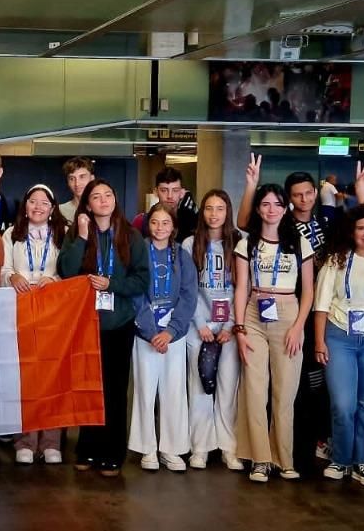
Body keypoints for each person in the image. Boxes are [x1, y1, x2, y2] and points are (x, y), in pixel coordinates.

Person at [58, 179, 148, 476]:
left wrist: (113, 284)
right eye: (96, 197)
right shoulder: (78, 232)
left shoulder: (132, 237)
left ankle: (113, 452)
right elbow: (66, 271)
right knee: (88, 388)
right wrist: (83, 237)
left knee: (114, 389)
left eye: (108, 195)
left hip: (119, 323)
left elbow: (141, 280)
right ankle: (87, 449)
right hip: (86, 323)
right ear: (87, 204)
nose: (104, 200)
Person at [231, 184, 316, 483]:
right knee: (254, 390)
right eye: (265, 204)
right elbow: (241, 288)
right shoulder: (247, 243)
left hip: (288, 313)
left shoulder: (299, 242)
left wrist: (298, 327)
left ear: (285, 208)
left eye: (277, 204)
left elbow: (308, 290)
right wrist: (239, 328)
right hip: (254, 312)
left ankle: (284, 458)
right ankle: (260, 459)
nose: (271, 209)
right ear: (257, 209)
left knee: (285, 392)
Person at [312, 204, 364, 487]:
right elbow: (321, 304)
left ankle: (363, 461)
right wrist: (319, 341)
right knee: (342, 403)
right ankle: (340, 459)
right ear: (352, 231)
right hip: (338, 335)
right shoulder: (336, 260)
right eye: (361, 228)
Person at [128, 203, 198, 472]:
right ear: (148, 225)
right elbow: (135, 293)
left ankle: (172, 448)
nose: (160, 228)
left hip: (174, 334)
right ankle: (147, 448)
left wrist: (171, 331)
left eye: (165, 223)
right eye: (155, 222)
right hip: (146, 333)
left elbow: (189, 295)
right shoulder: (138, 253)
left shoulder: (182, 256)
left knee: (174, 391)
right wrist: (151, 331)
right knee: (145, 390)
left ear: (174, 227)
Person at [0, 184, 66, 464]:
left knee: (53, 376)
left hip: (53, 313)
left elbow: (72, 269)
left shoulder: (64, 234)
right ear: (25, 206)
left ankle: (51, 440)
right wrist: (12, 277)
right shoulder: (11, 235)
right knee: (25, 377)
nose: (37, 207)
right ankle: (25, 440)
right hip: (20, 311)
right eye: (32, 202)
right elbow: (3, 269)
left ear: (52, 209)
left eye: (43, 203)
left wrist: (56, 278)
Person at [183, 190, 243, 470]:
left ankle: (228, 447)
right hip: (200, 327)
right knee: (199, 387)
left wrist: (230, 325)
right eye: (208, 208)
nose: (214, 214)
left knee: (227, 387)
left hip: (229, 327)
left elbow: (243, 288)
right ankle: (200, 447)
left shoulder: (240, 242)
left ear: (227, 211)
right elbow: (188, 288)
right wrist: (200, 324)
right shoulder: (189, 244)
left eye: (220, 208)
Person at [131, 166, 195, 238]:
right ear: (156, 192)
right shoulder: (141, 221)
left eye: (175, 190)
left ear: (182, 193)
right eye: (164, 190)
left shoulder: (193, 222)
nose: (170, 196)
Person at [58, 156, 96, 222]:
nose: (77, 184)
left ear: (92, 178)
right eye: (72, 179)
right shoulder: (60, 211)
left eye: (82, 177)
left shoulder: (102, 208)